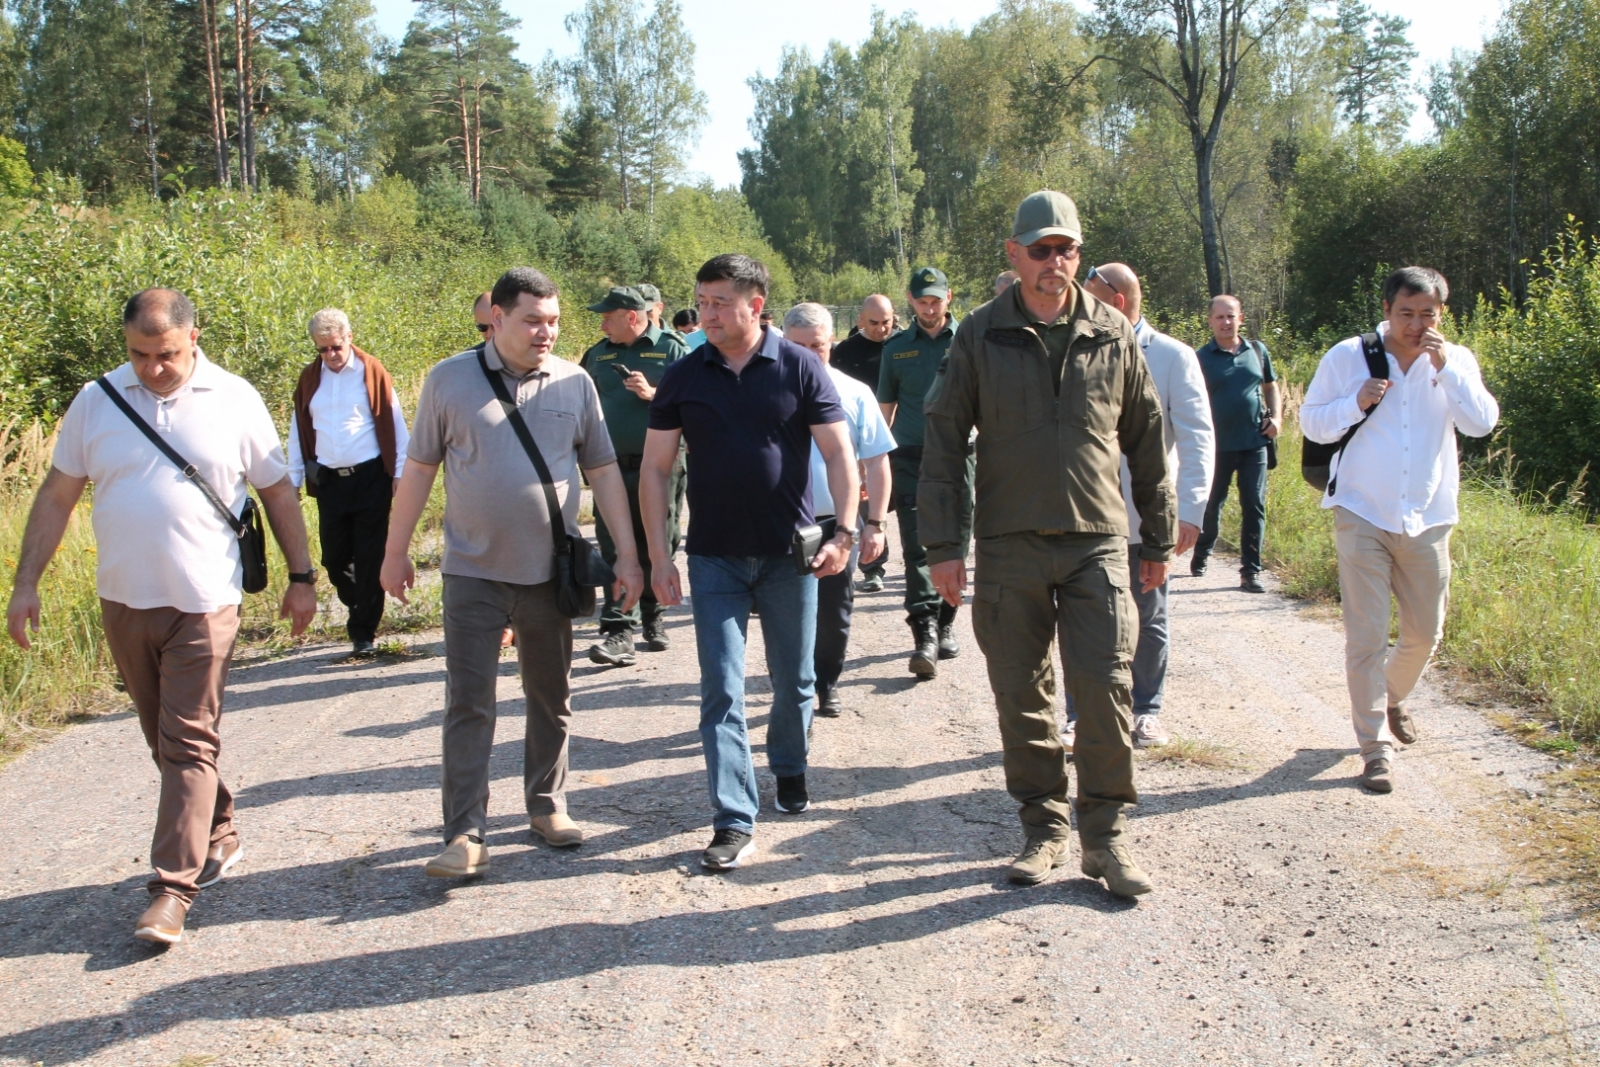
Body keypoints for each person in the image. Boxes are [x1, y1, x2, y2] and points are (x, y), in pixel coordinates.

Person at [5, 288, 318, 944]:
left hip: (205, 602)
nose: (153, 368)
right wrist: (25, 582)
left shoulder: (234, 398)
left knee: (186, 741)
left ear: (194, 336)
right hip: (124, 600)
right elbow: (58, 493)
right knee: (167, 742)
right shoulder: (96, 401)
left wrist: (301, 577)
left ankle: (172, 888)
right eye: (140, 354)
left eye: (166, 354)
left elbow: (277, 490)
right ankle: (221, 826)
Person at [921, 191, 1175, 897]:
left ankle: (1107, 836)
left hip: (1097, 538)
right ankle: (1043, 826)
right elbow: (943, 441)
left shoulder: (1113, 332)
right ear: (1014, 254)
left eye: (1065, 249)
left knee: (1104, 686)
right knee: (1021, 694)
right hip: (1009, 543)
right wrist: (943, 544)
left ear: (1078, 255)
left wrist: (1156, 534)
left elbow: (1147, 437)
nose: (1053, 262)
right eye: (1040, 249)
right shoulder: (979, 334)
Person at [381, 268, 645, 877]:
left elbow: (603, 472)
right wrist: (396, 553)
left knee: (550, 697)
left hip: (549, 571)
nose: (545, 331)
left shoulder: (575, 382)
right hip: (472, 570)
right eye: (532, 320)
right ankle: (465, 834)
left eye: (553, 321)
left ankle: (547, 804)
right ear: (496, 318)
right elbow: (419, 469)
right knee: (469, 703)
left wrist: (627, 557)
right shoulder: (448, 380)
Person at [640, 254, 858, 872]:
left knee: (795, 682)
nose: (705, 313)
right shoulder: (684, 376)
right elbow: (656, 470)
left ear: (755, 305)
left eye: (718, 302)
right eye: (701, 301)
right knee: (722, 691)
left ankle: (789, 764)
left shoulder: (799, 367)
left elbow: (840, 455)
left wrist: (843, 531)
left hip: (793, 556)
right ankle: (735, 817)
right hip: (714, 559)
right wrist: (661, 555)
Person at [1300, 267, 1498, 794]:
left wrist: (1448, 369)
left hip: (1429, 515)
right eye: (1406, 313)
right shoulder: (1348, 356)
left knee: (1424, 632)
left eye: (1427, 314)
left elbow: (1481, 424)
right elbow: (1313, 423)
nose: (1416, 325)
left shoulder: (1454, 360)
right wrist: (1355, 402)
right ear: (1386, 309)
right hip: (1362, 510)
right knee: (1365, 635)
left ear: (1441, 314)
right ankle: (1374, 748)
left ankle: (1388, 697)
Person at [1081, 263, 1214, 751]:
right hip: (1085, 512)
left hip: (1145, 515)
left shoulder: (1173, 358)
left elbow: (1198, 438)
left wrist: (1191, 511)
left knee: (1147, 614)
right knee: (1084, 615)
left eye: (1090, 297)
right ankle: (1083, 716)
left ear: (1116, 302)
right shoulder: (1080, 349)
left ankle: (1146, 711)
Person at [782, 303, 894, 717]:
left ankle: (826, 682)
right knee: (785, 614)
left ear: (832, 343)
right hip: (782, 521)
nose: (809, 356)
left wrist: (876, 524)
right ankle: (792, 694)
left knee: (833, 613)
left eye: (818, 347)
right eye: (798, 347)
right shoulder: (762, 388)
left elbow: (878, 460)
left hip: (836, 522)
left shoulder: (853, 392)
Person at [287, 309, 410, 655]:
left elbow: (395, 425)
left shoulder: (372, 373)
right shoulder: (311, 380)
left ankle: (363, 632)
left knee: (370, 556)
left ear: (349, 338)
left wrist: (400, 474)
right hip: (329, 482)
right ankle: (358, 602)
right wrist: (292, 478)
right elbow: (298, 431)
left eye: (335, 347)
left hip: (370, 477)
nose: (330, 355)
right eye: (322, 349)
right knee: (334, 559)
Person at [579, 286, 689, 667]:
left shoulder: (673, 349)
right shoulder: (597, 354)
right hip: (611, 466)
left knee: (659, 539)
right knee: (613, 545)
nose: (602, 323)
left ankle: (653, 616)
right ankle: (617, 628)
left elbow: (694, 402)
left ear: (631, 316)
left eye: (608, 316)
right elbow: (581, 405)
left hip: (661, 466)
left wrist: (653, 394)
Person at [877, 266, 971, 677]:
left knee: (957, 542)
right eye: (922, 301)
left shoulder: (970, 340)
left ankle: (947, 623)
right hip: (911, 456)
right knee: (916, 547)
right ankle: (925, 633)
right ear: (911, 301)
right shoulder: (896, 348)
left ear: (949, 297)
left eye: (936, 300)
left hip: (959, 455)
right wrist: (873, 464)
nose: (929, 308)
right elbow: (885, 409)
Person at [1192, 294, 1280, 593]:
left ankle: (1250, 572)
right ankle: (1202, 552)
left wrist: (1277, 419)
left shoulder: (1257, 351)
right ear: (1210, 321)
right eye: (1220, 317)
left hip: (1254, 442)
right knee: (1212, 504)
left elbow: (1270, 386)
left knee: (1253, 505)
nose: (1226, 322)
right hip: (1215, 446)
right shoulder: (1200, 358)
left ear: (1240, 318)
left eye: (1231, 316)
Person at [830, 294, 897, 593]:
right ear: (859, 321)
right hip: (863, 436)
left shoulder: (902, 346)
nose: (882, 329)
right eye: (874, 323)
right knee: (865, 502)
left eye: (887, 322)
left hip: (900, 435)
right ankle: (873, 568)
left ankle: (921, 563)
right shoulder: (845, 352)